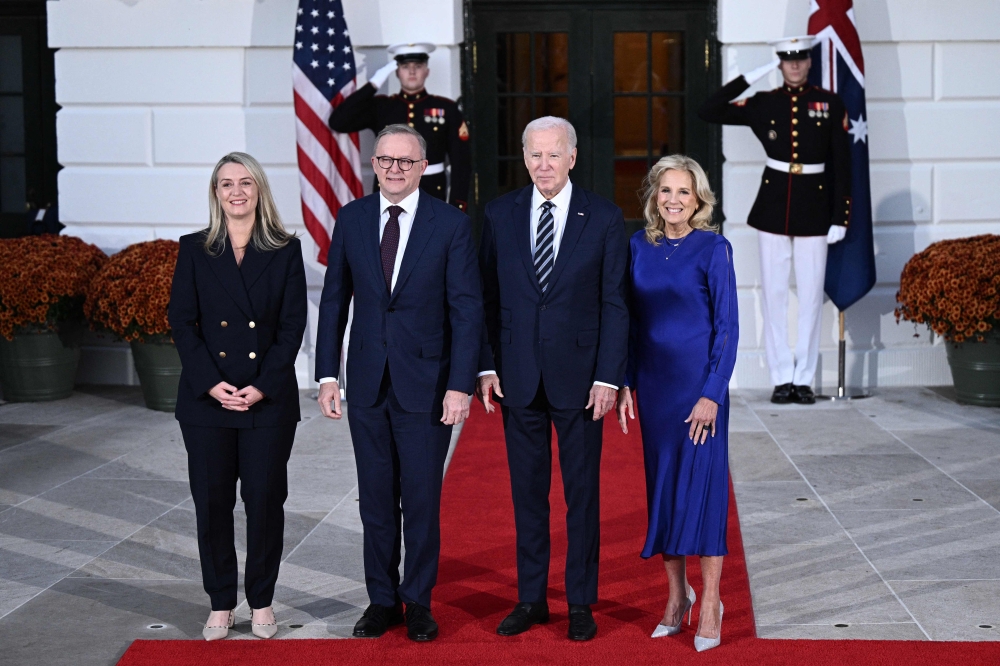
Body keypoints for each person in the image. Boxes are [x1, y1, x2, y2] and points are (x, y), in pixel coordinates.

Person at [314, 124, 482, 642]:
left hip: (427, 385)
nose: (393, 169)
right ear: (374, 164)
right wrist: (326, 373)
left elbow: (466, 310)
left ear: (423, 166)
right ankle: (381, 600)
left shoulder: (450, 225)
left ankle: (418, 601)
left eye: (405, 162)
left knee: (421, 500)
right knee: (376, 500)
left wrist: (460, 385)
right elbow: (335, 301)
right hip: (366, 382)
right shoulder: (353, 218)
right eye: (385, 160)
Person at [476, 116, 629, 642]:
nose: (543, 165)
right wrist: (487, 364)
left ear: (572, 156)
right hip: (517, 377)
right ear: (524, 158)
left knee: (581, 496)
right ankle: (531, 598)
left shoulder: (605, 218)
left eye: (552, 155)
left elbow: (615, 303)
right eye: (533, 155)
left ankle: (581, 602)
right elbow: (486, 299)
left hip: (583, 381)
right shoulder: (499, 214)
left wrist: (609, 376)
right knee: (527, 496)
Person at [169, 152, 307, 641]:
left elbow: (292, 328)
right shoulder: (193, 249)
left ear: (259, 190)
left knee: (266, 500)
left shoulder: (286, 250)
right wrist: (210, 382)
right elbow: (182, 323)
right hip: (208, 400)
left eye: (245, 182)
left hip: (266, 399)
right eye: (226, 184)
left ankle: (263, 600)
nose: (236, 192)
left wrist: (262, 385)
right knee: (212, 502)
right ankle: (221, 603)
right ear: (215, 194)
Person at [616, 155, 738, 652]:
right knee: (663, 490)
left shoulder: (714, 247)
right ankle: (675, 598)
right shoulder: (637, 248)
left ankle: (710, 600)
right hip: (655, 389)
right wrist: (624, 381)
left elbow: (727, 328)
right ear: (653, 196)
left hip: (698, 388)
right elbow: (627, 321)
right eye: (665, 191)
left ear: (699, 199)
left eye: (683, 192)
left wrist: (712, 393)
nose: (673, 201)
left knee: (704, 492)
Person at [698, 36, 851, 405]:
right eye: (786, 60)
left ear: (809, 63)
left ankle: (804, 378)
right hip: (773, 207)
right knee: (775, 295)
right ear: (779, 64)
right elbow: (709, 108)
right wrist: (753, 75)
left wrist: (840, 215)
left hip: (816, 207)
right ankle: (782, 377)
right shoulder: (764, 102)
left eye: (800, 60)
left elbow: (843, 164)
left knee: (812, 295)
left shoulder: (828, 103)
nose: (794, 66)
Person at [329, 42, 471, 211]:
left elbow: (462, 162)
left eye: (418, 66)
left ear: (427, 71)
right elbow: (338, 122)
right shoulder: (383, 107)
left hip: (431, 192)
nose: (412, 71)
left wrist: (457, 206)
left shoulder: (446, 108)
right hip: (390, 192)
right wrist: (373, 84)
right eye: (405, 66)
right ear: (397, 72)